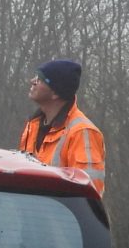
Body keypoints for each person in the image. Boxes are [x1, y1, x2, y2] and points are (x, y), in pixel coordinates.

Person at [19, 58, 106, 192]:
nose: (32, 81)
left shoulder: (82, 132)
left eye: (40, 79)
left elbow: (89, 193)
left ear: (55, 93)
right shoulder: (33, 125)